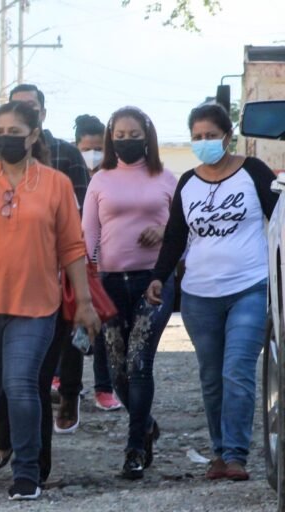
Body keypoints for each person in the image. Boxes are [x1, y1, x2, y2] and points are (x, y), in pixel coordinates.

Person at [0, 101, 100, 501]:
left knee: (21, 386)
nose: (6, 139)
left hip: (36, 306)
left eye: (15, 132)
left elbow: (72, 247)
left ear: (33, 136)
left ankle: (27, 472)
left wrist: (84, 303)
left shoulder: (56, 184)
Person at [147, 103, 277, 482]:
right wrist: (159, 277)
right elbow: (175, 236)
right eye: (197, 137)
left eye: (211, 136)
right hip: (199, 296)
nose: (204, 142)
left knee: (237, 370)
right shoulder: (187, 182)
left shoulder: (253, 172)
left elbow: (279, 218)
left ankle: (236, 455)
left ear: (227, 136)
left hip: (250, 287)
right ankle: (219, 452)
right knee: (211, 376)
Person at [0, 84, 90, 483]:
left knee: (33, 381)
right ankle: (5, 441)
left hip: (46, 294)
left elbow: (74, 235)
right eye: (3, 128)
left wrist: (82, 297)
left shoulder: (64, 165)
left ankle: (35, 466)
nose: (9, 135)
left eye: (26, 113)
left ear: (38, 121)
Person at [82, 106, 176, 479]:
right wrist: (85, 285)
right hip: (109, 283)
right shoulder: (100, 180)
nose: (126, 141)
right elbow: (87, 235)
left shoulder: (167, 178)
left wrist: (165, 232)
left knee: (139, 363)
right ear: (111, 139)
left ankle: (135, 446)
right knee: (117, 366)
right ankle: (146, 424)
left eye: (133, 134)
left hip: (154, 281)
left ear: (147, 136)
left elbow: (184, 228)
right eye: (119, 135)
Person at [74, 113, 121, 412]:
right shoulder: (69, 177)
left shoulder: (115, 177)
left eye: (98, 148)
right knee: (72, 325)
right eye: (86, 148)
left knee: (105, 330)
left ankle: (104, 388)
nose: (92, 154)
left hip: (107, 265)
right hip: (76, 265)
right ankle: (66, 382)